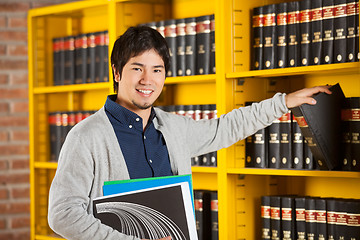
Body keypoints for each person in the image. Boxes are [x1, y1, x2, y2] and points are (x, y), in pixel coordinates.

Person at [48, 26, 331, 240]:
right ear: (117, 72)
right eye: (137, 68)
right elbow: (62, 215)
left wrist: (284, 102)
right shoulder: (85, 137)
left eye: (157, 70)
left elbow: (227, 127)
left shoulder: (174, 129)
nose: (148, 80)